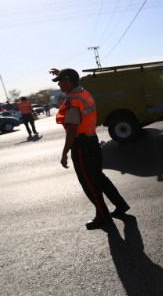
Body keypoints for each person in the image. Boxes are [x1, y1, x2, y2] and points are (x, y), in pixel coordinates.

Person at [49, 67, 130, 230]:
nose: (59, 86)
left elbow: (72, 129)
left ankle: (102, 215)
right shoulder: (83, 93)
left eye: (61, 82)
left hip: (81, 145)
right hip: (92, 141)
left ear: (69, 81)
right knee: (98, 177)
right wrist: (62, 75)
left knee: (88, 182)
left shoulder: (74, 101)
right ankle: (120, 205)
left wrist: (64, 153)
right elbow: (73, 87)